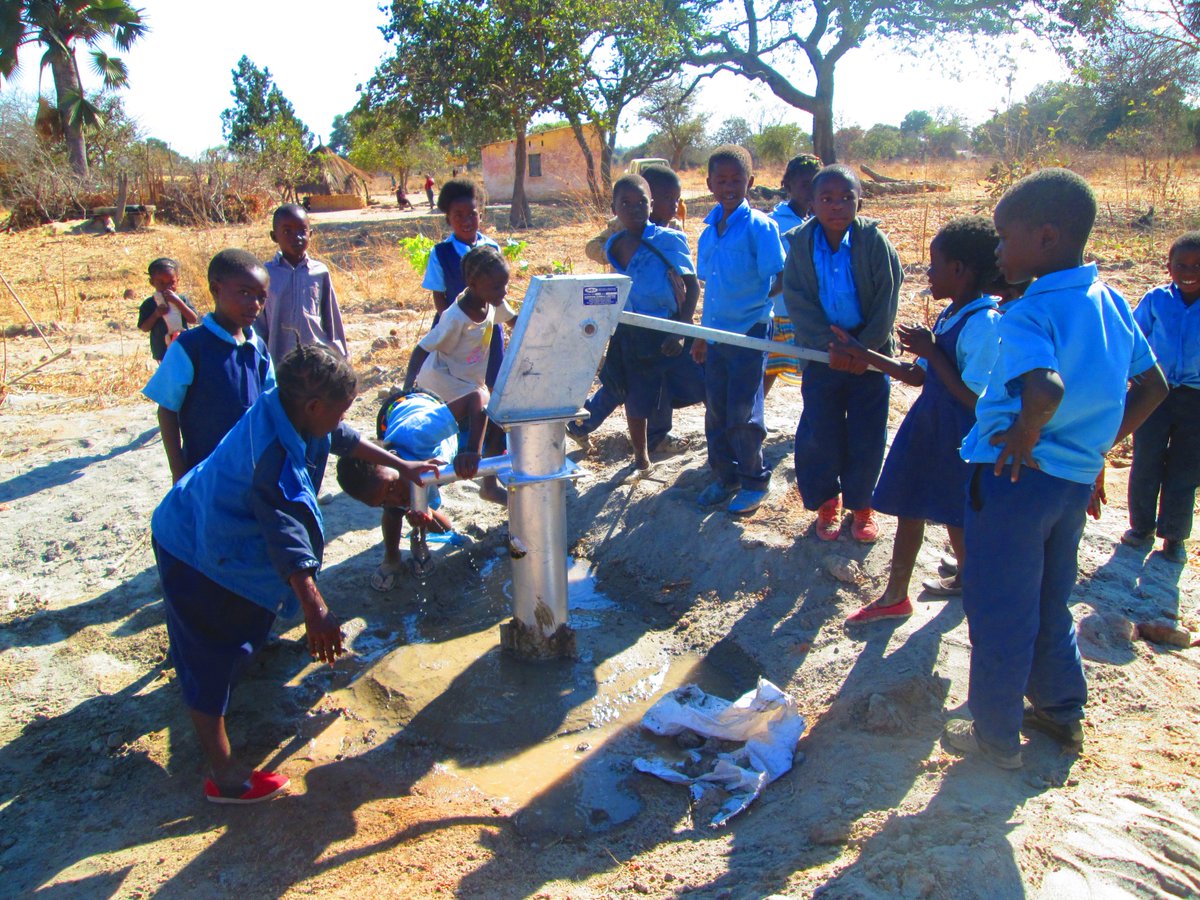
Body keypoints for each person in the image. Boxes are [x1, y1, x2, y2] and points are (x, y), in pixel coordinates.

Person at [942, 168, 1167, 769]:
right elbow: (1153, 384)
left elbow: (1044, 388)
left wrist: (1027, 428)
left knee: (998, 607)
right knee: (1048, 600)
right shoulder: (1110, 301)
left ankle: (993, 736)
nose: (996, 250)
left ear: (1044, 238)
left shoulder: (1026, 314)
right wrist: (1097, 448)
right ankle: (1062, 712)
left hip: (1014, 480)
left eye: (1001, 236)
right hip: (1070, 483)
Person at [150, 345, 438, 803]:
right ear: (313, 407)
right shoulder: (276, 458)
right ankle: (224, 776)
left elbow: (341, 436)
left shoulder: (286, 406)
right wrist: (315, 609)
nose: (343, 418)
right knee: (208, 655)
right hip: (196, 547)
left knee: (233, 634)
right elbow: (287, 539)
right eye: (340, 408)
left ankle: (227, 671)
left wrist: (403, 465)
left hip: (209, 523)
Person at [835, 217, 1002, 623]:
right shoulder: (952, 315)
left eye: (934, 263)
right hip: (928, 425)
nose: (928, 272)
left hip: (957, 435)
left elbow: (974, 398)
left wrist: (932, 350)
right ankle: (898, 595)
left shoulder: (984, 323)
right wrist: (863, 352)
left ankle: (975, 584)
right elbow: (917, 375)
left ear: (959, 270)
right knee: (913, 505)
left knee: (953, 513)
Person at [783, 164, 903, 542]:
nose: (836, 206)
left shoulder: (873, 242)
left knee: (867, 433)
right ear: (812, 203)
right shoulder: (802, 242)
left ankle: (862, 506)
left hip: (870, 355)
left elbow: (887, 296)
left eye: (845, 198)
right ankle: (826, 502)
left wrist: (862, 350)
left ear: (859, 201)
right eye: (827, 199)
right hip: (823, 354)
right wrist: (829, 345)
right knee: (821, 430)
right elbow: (797, 298)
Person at [692, 144, 787, 515]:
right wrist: (702, 335)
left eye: (736, 180)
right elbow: (709, 289)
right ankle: (725, 477)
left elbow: (779, 276)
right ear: (710, 183)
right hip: (716, 336)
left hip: (749, 332)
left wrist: (759, 308)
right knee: (715, 410)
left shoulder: (761, 227)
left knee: (743, 413)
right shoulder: (707, 232)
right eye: (722, 180)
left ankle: (753, 480)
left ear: (750, 181)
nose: (729, 186)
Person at [573, 165, 693, 456]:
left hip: (663, 326)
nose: (675, 206)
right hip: (629, 328)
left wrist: (681, 323)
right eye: (669, 198)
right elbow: (598, 251)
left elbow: (690, 287)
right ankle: (586, 426)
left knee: (654, 387)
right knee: (620, 385)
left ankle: (653, 439)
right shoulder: (617, 238)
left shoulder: (670, 237)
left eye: (677, 199)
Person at [339, 386, 492, 590]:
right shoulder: (390, 486)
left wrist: (473, 451)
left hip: (411, 405)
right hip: (395, 438)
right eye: (382, 502)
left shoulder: (419, 434)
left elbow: (477, 396)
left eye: (391, 489)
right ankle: (392, 556)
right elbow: (442, 526)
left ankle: (418, 541)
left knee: (410, 495)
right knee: (394, 512)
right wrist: (425, 513)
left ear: (394, 458)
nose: (395, 499)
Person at [142, 250, 274, 482]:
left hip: (251, 469)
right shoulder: (190, 347)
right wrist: (178, 472)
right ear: (215, 289)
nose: (255, 304)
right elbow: (167, 410)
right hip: (204, 471)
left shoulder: (258, 348)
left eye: (261, 297)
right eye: (244, 293)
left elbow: (269, 402)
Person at [405, 244, 516, 505]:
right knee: (481, 403)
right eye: (497, 287)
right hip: (443, 379)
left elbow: (514, 321)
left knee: (499, 419)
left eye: (505, 285)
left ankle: (488, 486)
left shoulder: (491, 300)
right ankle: (471, 457)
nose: (504, 292)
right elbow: (422, 348)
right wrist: (407, 386)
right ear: (473, 284)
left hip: (468, 379)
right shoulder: (455, 317)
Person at [1119, 230, 1200, 564]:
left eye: (1197, 265)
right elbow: (1132, 341)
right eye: (1180, 264)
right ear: (1168, 267)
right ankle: (1141, 528)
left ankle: (1174, 536)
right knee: (1146, 459)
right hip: (1153, 393)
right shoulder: (1156, 300)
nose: (1189, 272)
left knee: (1186, 468)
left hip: (1195, 398)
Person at [421, 178, 506, 390]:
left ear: (480, 214)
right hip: (456, 328)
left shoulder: (492, 247)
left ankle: (492, 421)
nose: (466, 220)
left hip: (488, 326)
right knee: (456, 380)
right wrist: (451, 323)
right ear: (448, 219)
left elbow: (500, 288)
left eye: (472, 214)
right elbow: (439, 295)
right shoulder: (441, 253)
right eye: (458, 215)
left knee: (494, 376)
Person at [256, 203, 348, 363]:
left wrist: (342, 357)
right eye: (287, 231)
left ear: (310, 234)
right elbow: (259, 324)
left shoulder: (319, 272)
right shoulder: (265, 274)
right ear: (274, 236)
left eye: (302, 230)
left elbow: (331, 319)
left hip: (316, 358)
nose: (296, 237)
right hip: (278, 359)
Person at [765, 154, 822, 396]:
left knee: (786, 367)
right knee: (768, 369)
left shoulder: (815, 220)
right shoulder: (776, 223)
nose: (810, 190)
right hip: (780, 311)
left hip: (802, 311)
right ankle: (751, 417)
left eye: (815, 183)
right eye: (804, 184)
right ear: (788, 186)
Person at [137, 257, 198, 363]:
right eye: (161, 283)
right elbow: (144, 327)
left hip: (183, 345)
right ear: (152, 282)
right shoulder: (149, 304)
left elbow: (193, 319)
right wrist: (156, 314)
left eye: (171, 282)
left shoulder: (182, 299)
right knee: (168, 375)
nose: (167, 287)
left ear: (178, 280)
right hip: (162, 350)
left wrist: (178, 303)